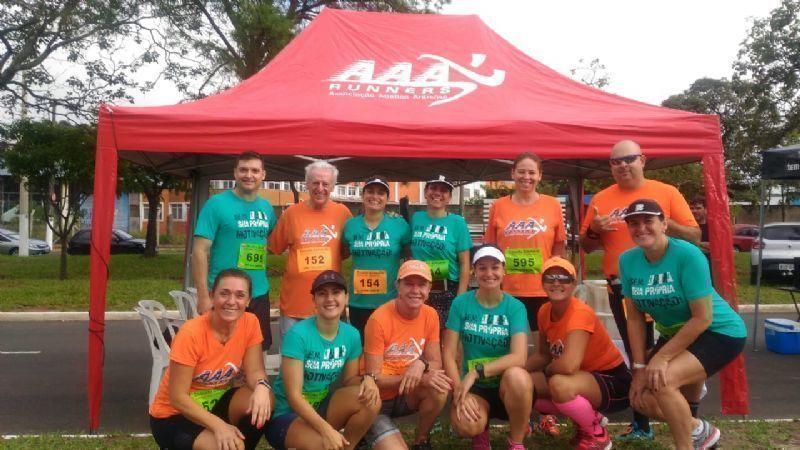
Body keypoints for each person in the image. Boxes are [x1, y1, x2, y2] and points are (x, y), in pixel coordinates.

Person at [579, 139, 700, 440]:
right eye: (615, 161)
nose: (622, 165)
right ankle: (641, 424)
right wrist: (594, 229)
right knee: (639, 353)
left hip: (671, 284)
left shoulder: (667, 192)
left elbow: (695, 235)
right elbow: (586, 245)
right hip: (624, 287)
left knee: (683, 348)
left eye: (628, 159)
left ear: (642, 160)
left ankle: (691, 422)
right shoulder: (602, 198)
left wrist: (661, 224)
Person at [619, 199, 747, 450]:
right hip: (676, 333)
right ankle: (699, 430)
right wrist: (639, 367)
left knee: (662, 382)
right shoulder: (627, 261)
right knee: (640, 398)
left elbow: (703, 317)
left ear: (664, 224)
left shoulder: (688, 254)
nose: (641, 228)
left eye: (648, 221)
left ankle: (686, 446)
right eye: (634, 223)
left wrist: (661, 358)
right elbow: (634, 317)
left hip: (718, 331)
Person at [149, 269, 274, 450]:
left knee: (265, 400)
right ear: (211, 296)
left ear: (248, 301)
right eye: (224, 293)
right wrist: (219, 426)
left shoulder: (250, 322)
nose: (231, 301)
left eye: (240, 295)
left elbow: (255, 371)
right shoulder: (191, 334)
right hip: (174, 415)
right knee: (231, 446)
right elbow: (177, 397)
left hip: (215, 403)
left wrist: (262, 386)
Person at [265, 270, 381, 450]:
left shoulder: (351, 334)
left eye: (336, 292)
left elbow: (349, 381)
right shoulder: (298, 335)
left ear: (346, 297)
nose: (330, 299)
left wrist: (368, 379)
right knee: (324, 444)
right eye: (322, 294)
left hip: (321, 407)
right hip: (287, 414)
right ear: (314, 301)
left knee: (371, 399)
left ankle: (348, 446)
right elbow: (293, 396)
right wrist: (327, 430)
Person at [527, 257, 632, 450]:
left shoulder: (579, 312)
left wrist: (549, 370)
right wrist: (514, 370)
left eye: (563, 278)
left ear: (573, 283)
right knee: (523, 385)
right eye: (550, 278)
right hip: (578, 378)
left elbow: (568, 365)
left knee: (559, 384)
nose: (556, 283)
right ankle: (586, 419)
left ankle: (598, 435)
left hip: (612, 381)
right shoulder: (543, 311)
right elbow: (542, 355)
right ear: (542, 283)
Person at [444, 245, 532, 450]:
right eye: (482, 267)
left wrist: (476, 372)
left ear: (504, 270)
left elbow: (519, 357)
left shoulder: (515, 307)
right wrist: (459, 388)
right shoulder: (461, 303)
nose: (489, 273)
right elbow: (448, 352)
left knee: (518, 376)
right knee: (466, 425)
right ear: (474, 271)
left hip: (506, 386)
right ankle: (481, 434)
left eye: (495, 267)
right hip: (476, 389)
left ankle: (516, 441)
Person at [192, 151, 277, 351]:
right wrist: (204, 296)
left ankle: (254, 383)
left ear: (263, 175)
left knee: (257, 350)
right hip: (225, 294)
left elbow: (271, 238)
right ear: (235, 173)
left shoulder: (267, 208)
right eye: (244, 170)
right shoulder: (216, 204)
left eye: (255, 171)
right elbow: (199, 251)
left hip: (257, 292)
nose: (249, 175)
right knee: (221, 351)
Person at [363, 260, 451, 450]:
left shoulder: (430, 315)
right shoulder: (378, 319)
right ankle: (366, 431)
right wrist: (413, 378)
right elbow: (373, 378)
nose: (415, 290)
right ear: (398, 286)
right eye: (409, 284)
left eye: (421, 284)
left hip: (407, 396)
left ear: (429, 289)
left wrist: (421, 365)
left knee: (439, 387)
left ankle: (421, 441)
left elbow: (435, 361)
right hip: (377, 400)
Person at [269, 161, 352, 337]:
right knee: (292, 361)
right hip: (294, 307)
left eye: (325, 184)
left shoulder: (343, 213)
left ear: (333, 186)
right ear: (306, 184)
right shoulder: (291, 214)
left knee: (328, 361)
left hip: (330, 306)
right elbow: (274, 247)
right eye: (315, 183)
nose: (320, 188)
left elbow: (348, 250)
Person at [343, 175, 411, 339]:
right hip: (358, 302)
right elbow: (343, 253)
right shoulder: (350, 225)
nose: (375, 196)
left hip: (390, 302)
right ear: (363, 195)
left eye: (381, 193)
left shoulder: (400, 225)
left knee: (389, 352)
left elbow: (408, 257)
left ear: (387, 198)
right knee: (362, 352)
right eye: (370, 191)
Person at [410, 175, 472, 330]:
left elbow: (465, 263)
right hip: (418, 288)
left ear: (449, 197)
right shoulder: (416, 218)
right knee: (419, 335)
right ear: (425, 192)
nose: (437, 193)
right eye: (433, 188)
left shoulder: (458, 223)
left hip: (447, 290)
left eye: (444, 190)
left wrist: (461, 297)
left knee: (448, 338)